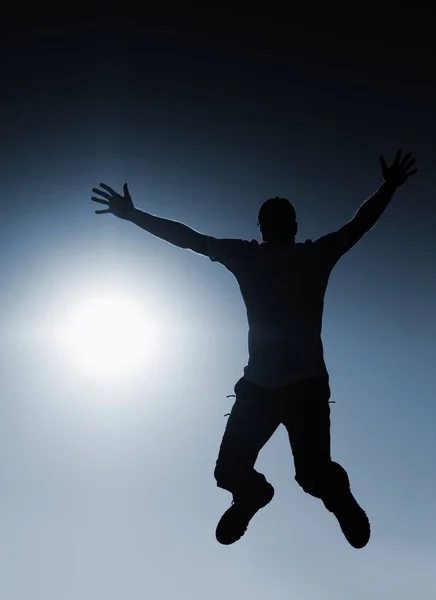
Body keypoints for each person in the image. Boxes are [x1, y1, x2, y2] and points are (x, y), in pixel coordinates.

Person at [91, 149, 417, 549]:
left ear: (288, 226)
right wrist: (134, 216)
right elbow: (188, 239)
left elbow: (359, 224)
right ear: (266, 227)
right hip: (261, 387)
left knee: (312, 475)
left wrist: (388, 187)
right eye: (273, 222)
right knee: (230, 471)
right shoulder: (265, 255)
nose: (278, 228)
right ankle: (252, 494)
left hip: (302, 389)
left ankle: (338, 499)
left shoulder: (306, 255)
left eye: (282, 222)